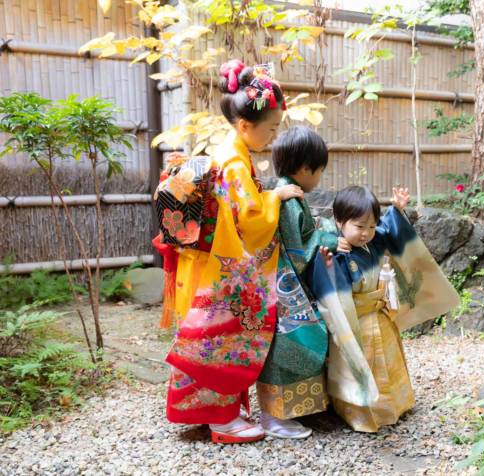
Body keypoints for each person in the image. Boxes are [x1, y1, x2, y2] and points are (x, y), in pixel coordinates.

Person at [155, 59, 303, 443]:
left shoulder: (232, 151)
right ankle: (221, 420)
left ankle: (219, 412)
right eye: (270, 128)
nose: (272, 136)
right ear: (244, 126)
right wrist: (275, 195)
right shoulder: (235, 161)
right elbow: (250, 221)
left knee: (210, 335)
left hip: (210, 258)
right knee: (221, 335)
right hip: (221, 265)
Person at [307, 186, 460, 432]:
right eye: (359, 226)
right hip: (357, 322)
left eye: (371, 225)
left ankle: (396, 404)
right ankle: (363, 414)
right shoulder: (338, 254)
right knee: (361, 364)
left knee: (389, 360)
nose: (367, 233)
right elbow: (330, 294)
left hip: (379, 314)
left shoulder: (375, 240)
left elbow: (389, 230)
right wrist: (327, 268)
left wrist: (397, 209)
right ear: (339, 221)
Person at [256, 125, 350, 438]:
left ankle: (299, 411)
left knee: (294, 344)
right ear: (305, 168)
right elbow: (299, 251)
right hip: (286, 284)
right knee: (294, 343)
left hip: (281, 281)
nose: (319, 178)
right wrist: (332, 240)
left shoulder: (285, 192)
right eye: (319, 171)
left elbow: (304, 234)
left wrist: (324, 231)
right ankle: (276, 416)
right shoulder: (289, 200)